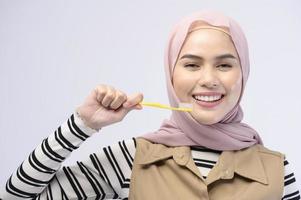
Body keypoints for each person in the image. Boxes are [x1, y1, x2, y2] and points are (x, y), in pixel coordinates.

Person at [1, 10, 300, 200]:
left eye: (224, 65)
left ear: (243, 72)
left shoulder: (275, 169)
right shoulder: (131, 159)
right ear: (171, 73)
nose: (209, 79)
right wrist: (82, 125)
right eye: (192, 65)